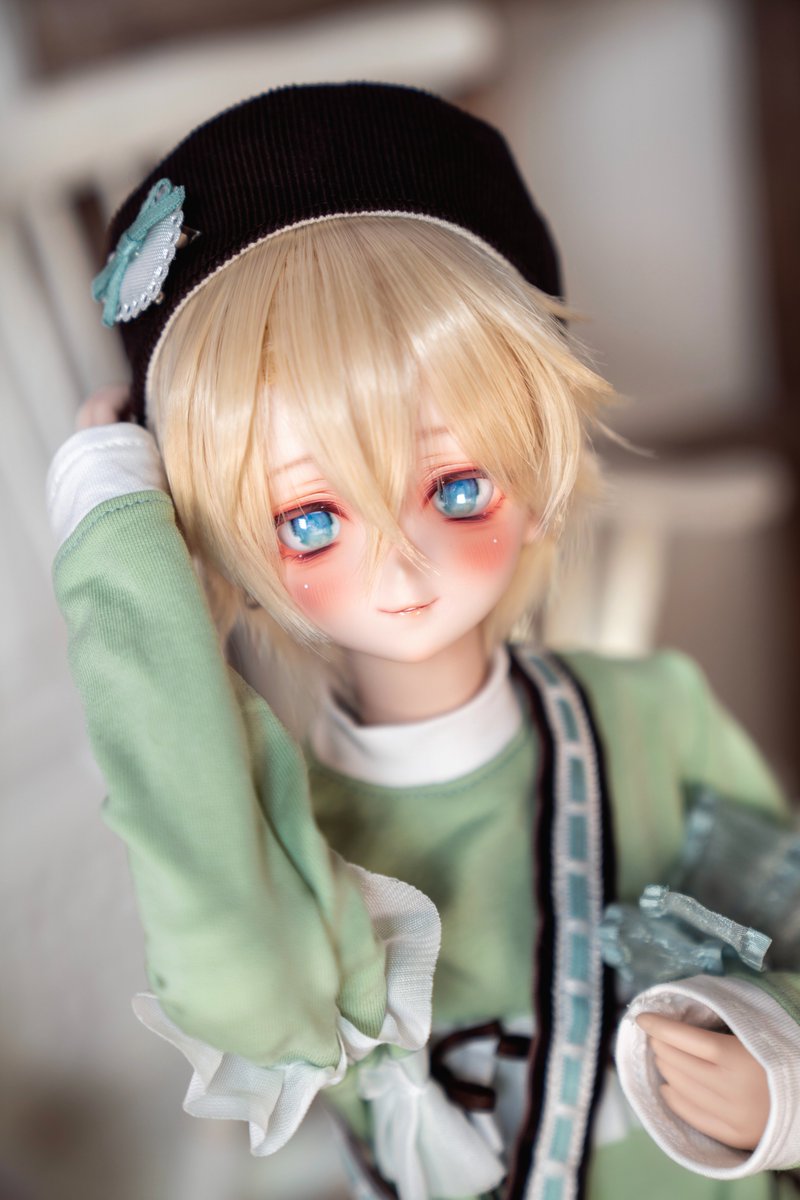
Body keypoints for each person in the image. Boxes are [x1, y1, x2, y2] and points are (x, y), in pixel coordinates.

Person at [47, 83, 800, 1200]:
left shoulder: (652, 714)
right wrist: (119, 543)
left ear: (536, 474)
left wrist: (775, 1070)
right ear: (223, 549)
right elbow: (238, 983)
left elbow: (782, 916)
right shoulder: (283, 832)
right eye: (310, 521)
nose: (400, 570)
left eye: (457, 489)